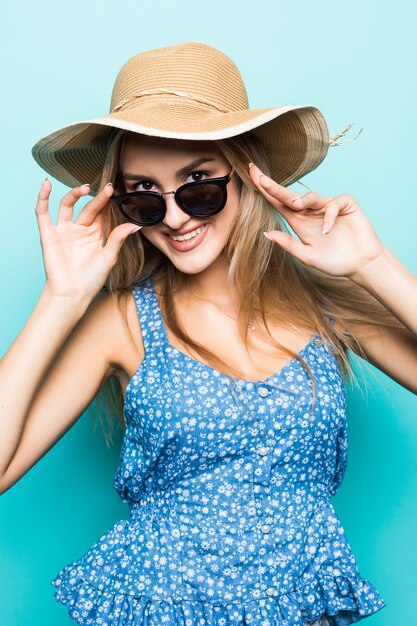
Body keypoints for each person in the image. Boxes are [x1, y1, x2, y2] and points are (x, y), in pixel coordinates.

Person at [1, 41, 416, 626]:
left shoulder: (323, 307)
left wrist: (374, 263)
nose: (173, 217)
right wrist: (60, 300)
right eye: (143, 194)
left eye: (199, 184)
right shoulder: (119, 322)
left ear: (248, 178)